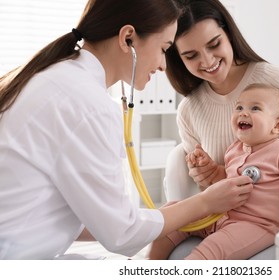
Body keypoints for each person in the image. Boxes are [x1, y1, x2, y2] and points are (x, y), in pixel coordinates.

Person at [0, 0, 254, 260]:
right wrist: (205, 203)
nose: (164, 65)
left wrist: (162, 217)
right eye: (164, 48)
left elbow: (84, 216)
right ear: (128, 38)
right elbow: (122, 234)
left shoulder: (57, 77)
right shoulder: (88, 104)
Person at [164, 0, 279, 211]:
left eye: (214, 45)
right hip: (228, 221)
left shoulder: (278, 83)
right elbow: (211, 187)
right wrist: (203, 175)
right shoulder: (189, 110)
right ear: (178, 59)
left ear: (228, 34)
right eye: (191, 55)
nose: (207, 61)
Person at [148, 83, 279, 260]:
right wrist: (209, 167)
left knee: (212, 248)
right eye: (239, 107)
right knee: (173, 214)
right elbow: (225, 178)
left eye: (255, 108)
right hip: (219, 216)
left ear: (277, 125)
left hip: (255, 224)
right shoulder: (234, 149)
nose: (243, 112)